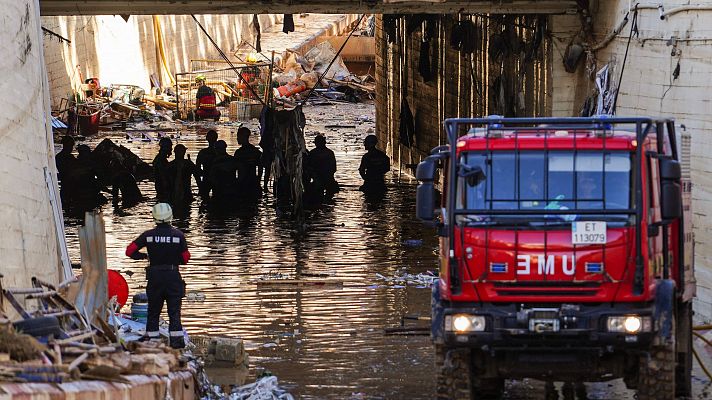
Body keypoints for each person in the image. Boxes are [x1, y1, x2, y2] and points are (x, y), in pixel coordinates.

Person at [125, 203, 190, 349]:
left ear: (154, 217)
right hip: (173, 277)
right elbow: (186, 258)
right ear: (170, 216)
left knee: (153, 311)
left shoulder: (148, 235)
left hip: (155, 278)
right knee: (174, 312)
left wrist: (144, 256)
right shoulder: (178, 235)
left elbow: (129, 251)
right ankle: (177, 346)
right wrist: (175, 259)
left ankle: (152, 345)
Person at [306, 135, 339, 201]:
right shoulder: (329, 153)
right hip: (325, 179)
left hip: (320, 179)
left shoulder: (313, 153)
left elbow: (309, 168)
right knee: (329, 198)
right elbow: (334, 168)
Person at [233, 127, 263, 197]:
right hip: (252, 182)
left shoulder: (239, 153)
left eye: (238, 136)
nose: (237, 138)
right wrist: (258, 180)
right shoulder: (255, 151)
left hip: (243, 184)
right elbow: (260, 167)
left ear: (243, 136)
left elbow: (234, 168)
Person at [196, 130, 218, 198]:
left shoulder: (203, 153)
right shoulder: (220, 152)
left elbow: (197, 169)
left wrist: (199, 184)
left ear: (206, 138)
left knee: (204, 198)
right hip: (216, 179)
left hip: (207, 178)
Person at [153, 137, 173, 202]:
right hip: (163, 190)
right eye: (170, 147)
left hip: (161, 188)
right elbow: (163, 176)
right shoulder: (160, 160)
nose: (171, 149)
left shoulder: (161, 159)